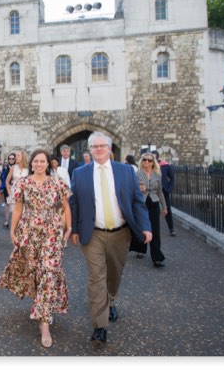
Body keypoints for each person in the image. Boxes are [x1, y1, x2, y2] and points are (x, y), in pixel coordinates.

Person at [69, 131, 152, 347]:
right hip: (93, 233)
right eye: (94, 147)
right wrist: (74, 229)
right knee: (97, 276)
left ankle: (111, 299)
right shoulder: (80, 173)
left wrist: (146, 227)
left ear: (109, 148)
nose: (98, 149)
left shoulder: (126, 171)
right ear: (90, 150)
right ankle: (99, 326)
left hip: (120, 233)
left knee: (114, 274)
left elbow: (136, 201)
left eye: (102, 146)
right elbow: (74, 202)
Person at [0, 149, 72, 349]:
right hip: (29, 233)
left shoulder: (57, 182)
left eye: (43, 161)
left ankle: (44, 323)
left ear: (48, 163)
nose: (39, 164)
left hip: (52, 235)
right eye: (36, 161)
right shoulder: (23, 183)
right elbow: (19, 209)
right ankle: (42, 305)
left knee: (49, 272)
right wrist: (12, 231)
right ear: (31, 164)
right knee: (35, 273)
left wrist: (69, 229)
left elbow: (65, 206)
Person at [138, 153, 168, 267]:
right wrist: (139, 189)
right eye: (145, 160)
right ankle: (141, 248)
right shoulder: (138, 174)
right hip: (142, 203)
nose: (147, 162)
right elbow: (133, 190)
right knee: (142, 228)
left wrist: (164, 207)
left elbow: (160, 192)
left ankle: (157, 258)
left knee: (155, 230)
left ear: (153, 162)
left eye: (149, 160)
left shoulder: (157, 174)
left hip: (154, 203)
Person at [5, 149, 29, 228]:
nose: (16, 157)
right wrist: (9, 192)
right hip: (14, 195)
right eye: (16, 155)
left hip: (25, 196)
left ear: (23, 157)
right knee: (15, 217)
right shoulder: (13, 168)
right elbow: (7, 181)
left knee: (24, 217)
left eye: (18, 155)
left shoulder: (28, 169)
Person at [154, 151, 175, 236]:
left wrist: (169, 188)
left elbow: (172, 178)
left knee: (167, 209)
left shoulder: (165, 166)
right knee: (153, 210)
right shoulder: (149, 166)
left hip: (163, 191)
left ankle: (171, 228)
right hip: (152, 191)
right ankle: (153, 229)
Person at [1, 153, 15, 227]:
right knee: (7, 203)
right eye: (10, 158)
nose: (11, 160)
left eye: (13, 158)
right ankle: (7, 220)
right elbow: (2, 177)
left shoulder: (17, 167)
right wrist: (2, 188)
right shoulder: (6, 167)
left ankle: (14, 220)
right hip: (7, 187)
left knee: (15, 204)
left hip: (15, 188)